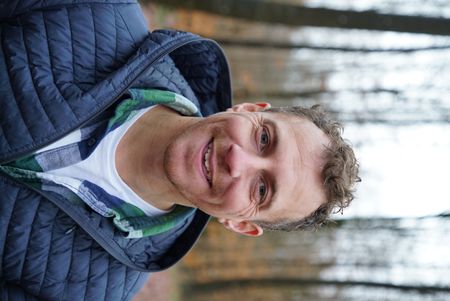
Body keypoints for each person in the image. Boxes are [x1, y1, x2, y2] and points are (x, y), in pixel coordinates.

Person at [0, 1, 359, 300]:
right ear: (248, 109)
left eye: (261, 189)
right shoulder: (96, 11)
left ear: (239, 223)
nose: (237, 160)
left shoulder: (92, 290)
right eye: (263, 139)